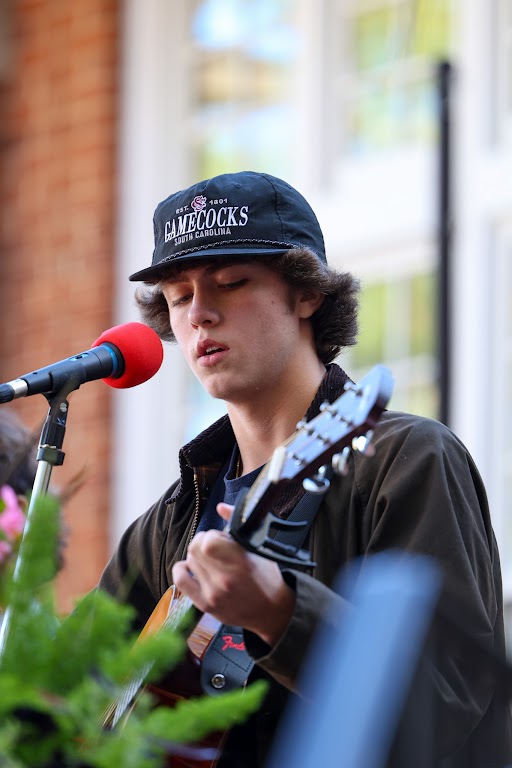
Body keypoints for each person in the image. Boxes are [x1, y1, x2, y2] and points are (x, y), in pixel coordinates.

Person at [99, 171, 511, 767]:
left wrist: (283, 614)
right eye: (180, 296)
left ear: (307, 293)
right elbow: (69, 695)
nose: (200, 315)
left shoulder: (405, 461)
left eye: (232, 283)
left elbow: (445, 706)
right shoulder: (170, 520)